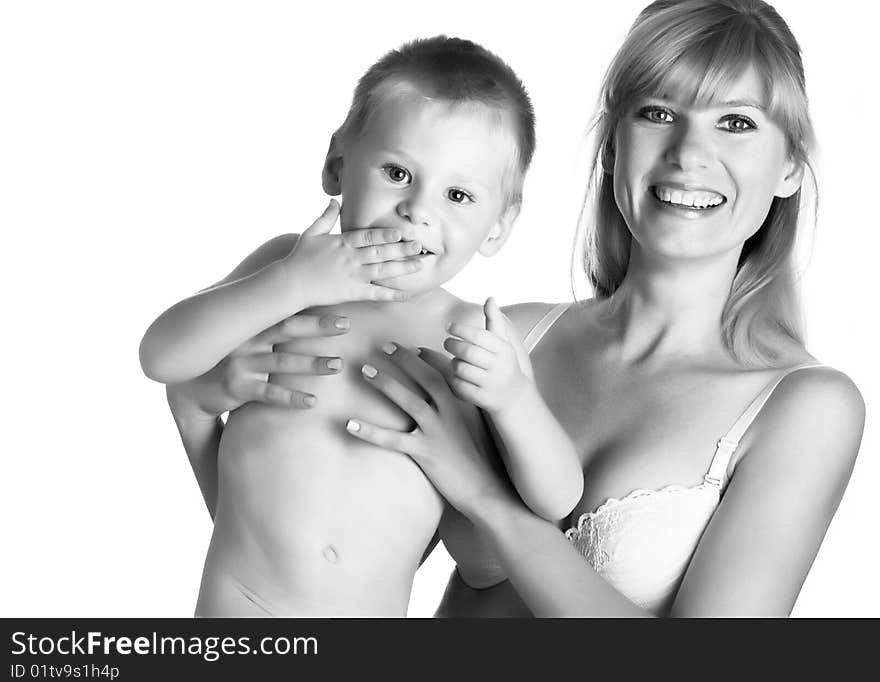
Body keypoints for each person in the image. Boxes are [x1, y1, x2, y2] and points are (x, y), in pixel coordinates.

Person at [347, 0, 866, 616]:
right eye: (657, 112)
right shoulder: (499, 335)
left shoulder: (805, 409)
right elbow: (324, 537)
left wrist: (486, 498)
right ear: (613, 146)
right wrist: (199, 412)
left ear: (790, 168)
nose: (688, 153)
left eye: (736, 122)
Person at [139, 36, 582, 616]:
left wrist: (513, 400)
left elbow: (556, 498)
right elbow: (161, 358)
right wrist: (292, 284)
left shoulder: (470, 335)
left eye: (458, 194)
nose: (418, 210)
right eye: (398, 172)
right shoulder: (288, 268)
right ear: (337, 165)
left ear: (498, 227)